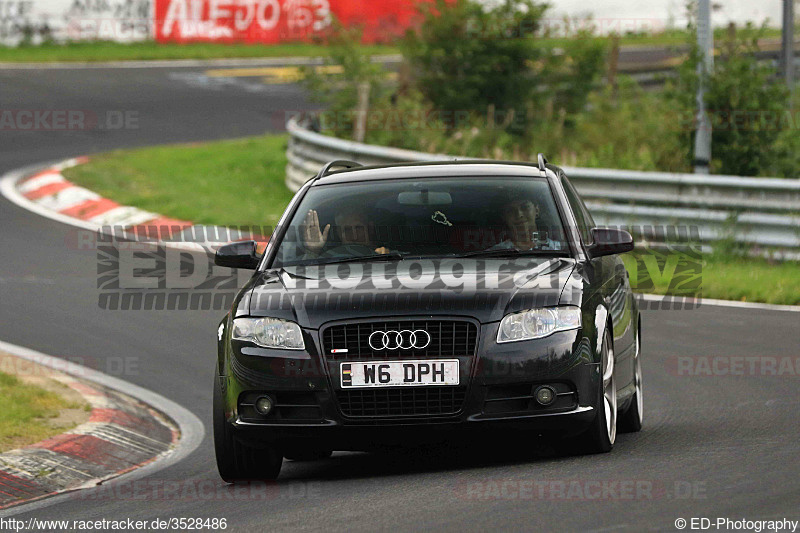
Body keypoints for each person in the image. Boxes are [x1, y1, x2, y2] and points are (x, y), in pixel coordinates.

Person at [300, 208, 390, 257]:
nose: (354, 236)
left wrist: (387, 257)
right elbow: (305, 274)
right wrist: (313, 251)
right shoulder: (329, 259)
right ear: (339, 233)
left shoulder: (386, 254)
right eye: (347, 230)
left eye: (358, 228)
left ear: (369, 228)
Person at [491, 195, 564, 252]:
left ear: (537, 210)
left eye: (525, 207)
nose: (519, 215)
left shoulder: (558, 249)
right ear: (504, 217)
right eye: (510, 211)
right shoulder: (494, 254)